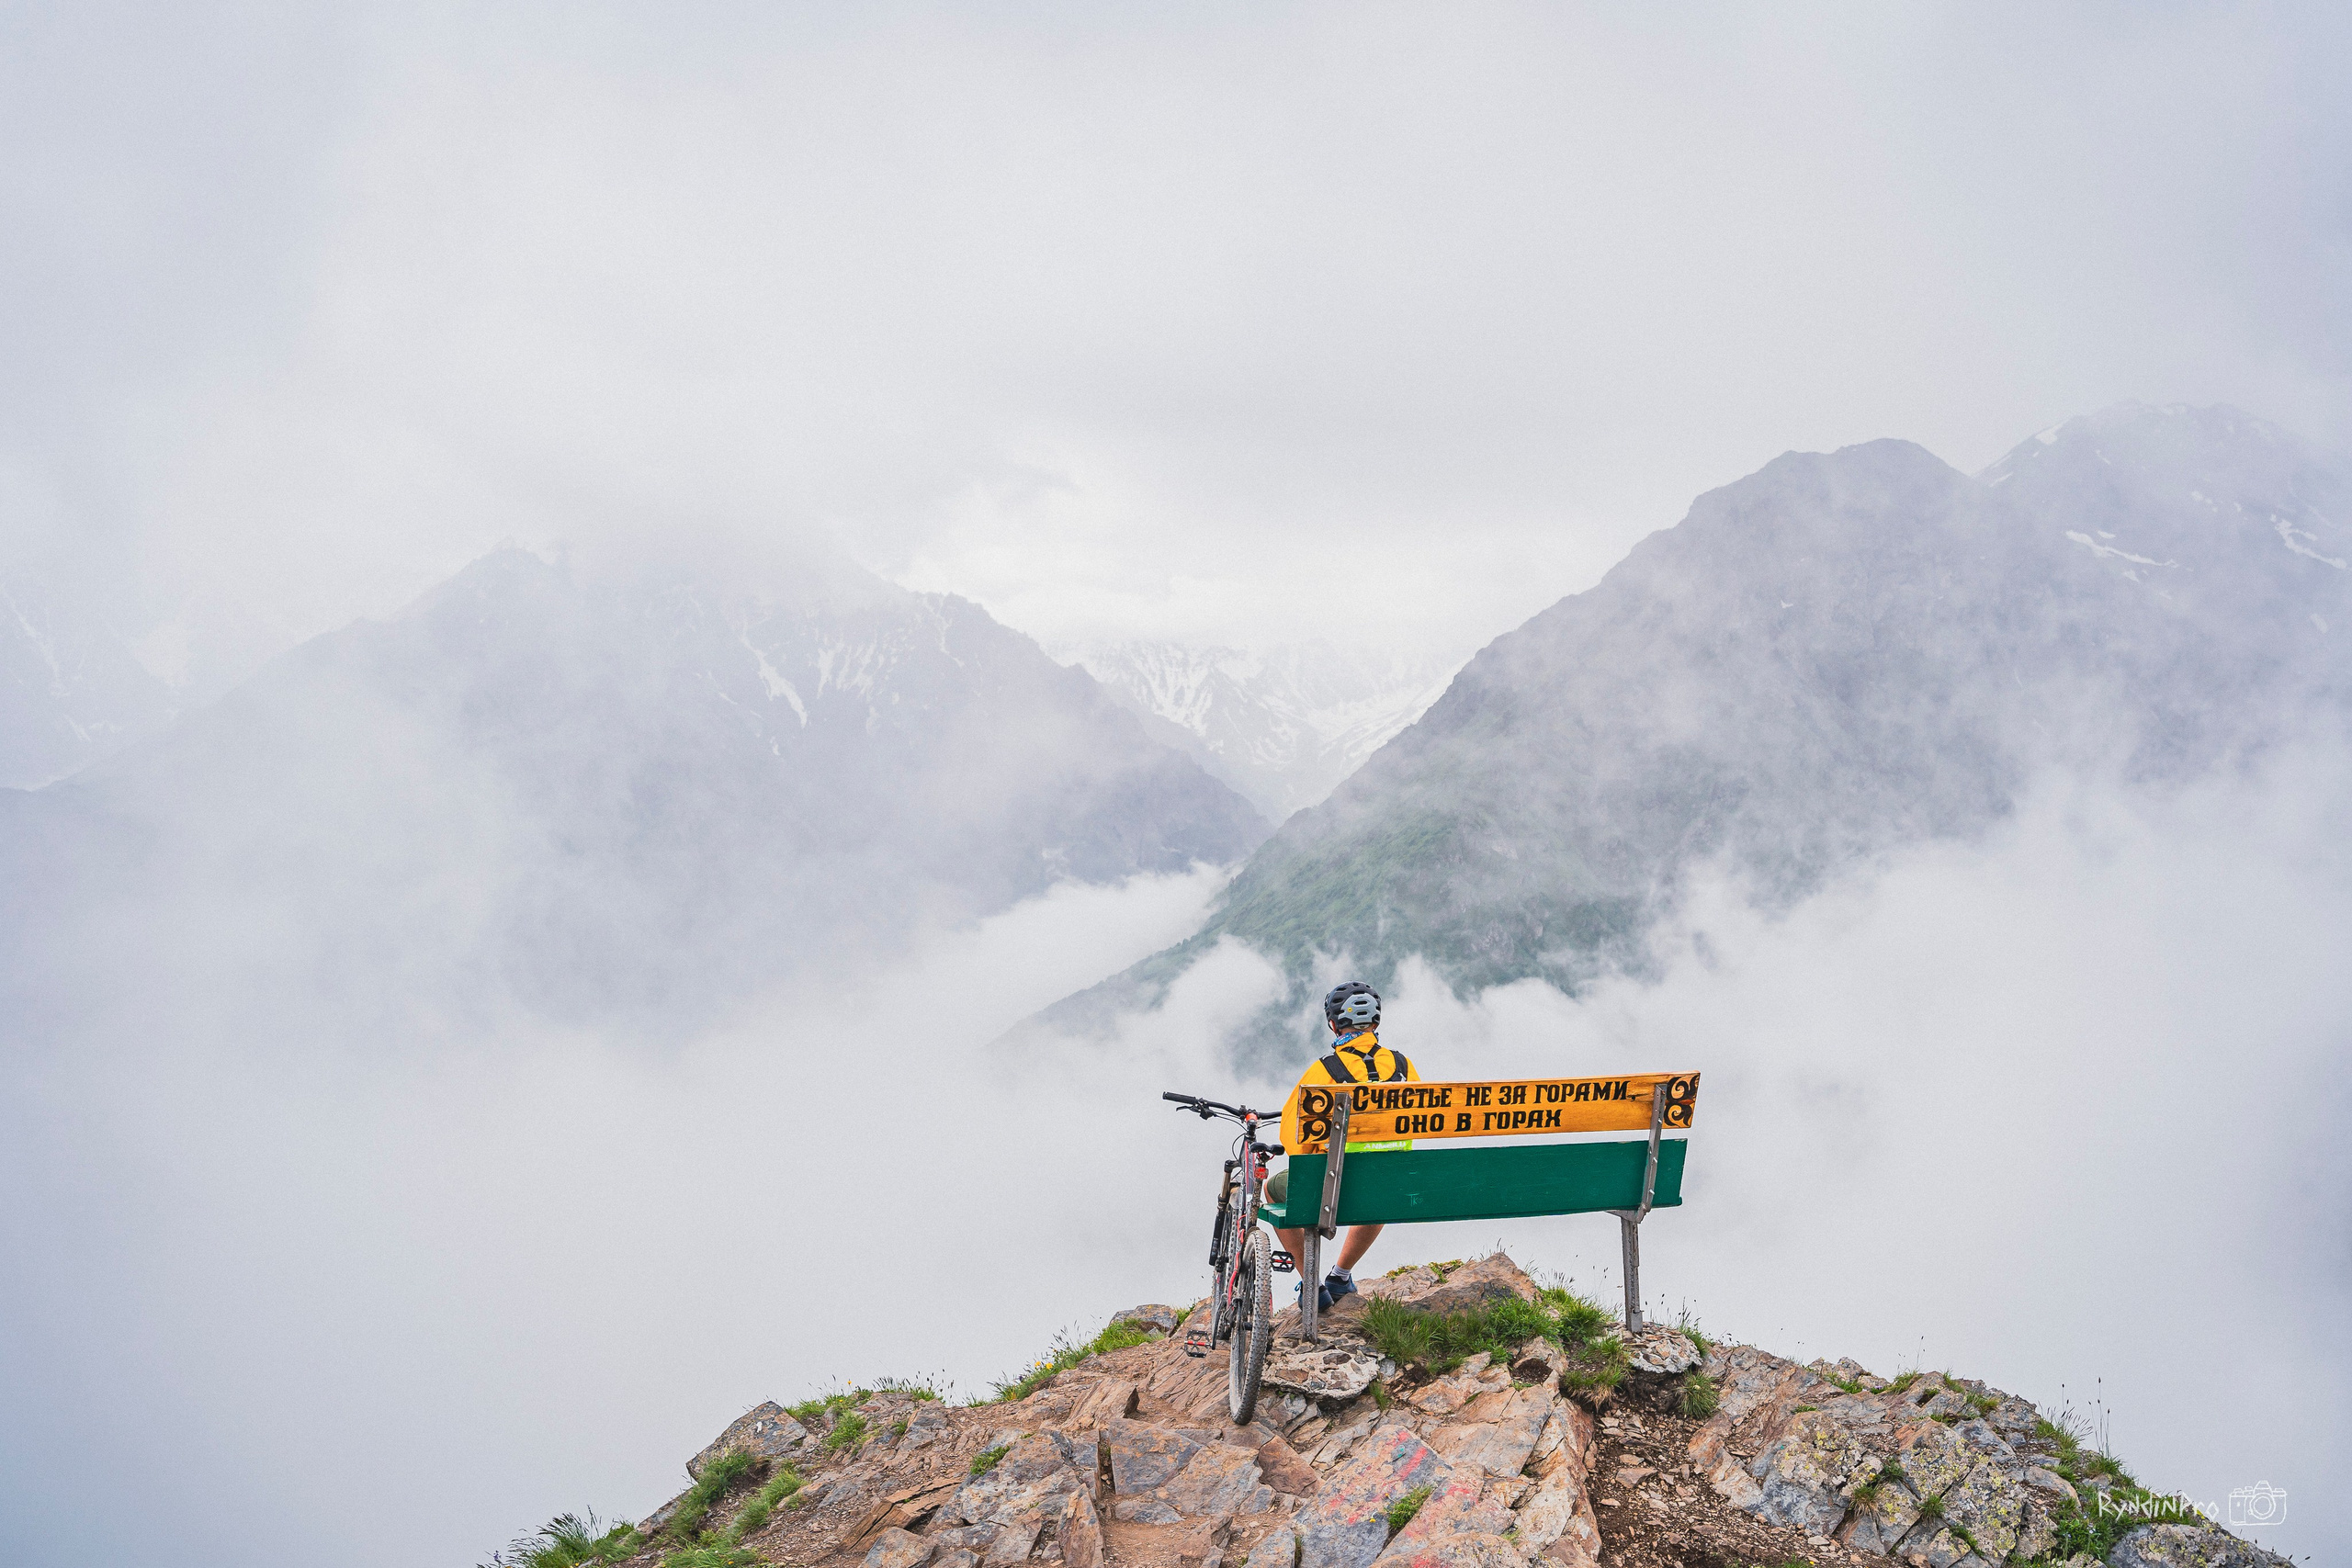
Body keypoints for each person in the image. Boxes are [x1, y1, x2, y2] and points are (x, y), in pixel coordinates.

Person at [1268, 980, 1418, 1314]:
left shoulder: (1324, 1071)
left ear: (1334, 1024)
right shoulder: (1404, 1067)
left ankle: (1313, 1282)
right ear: (1375, 1023)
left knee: (1273, 1189)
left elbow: (1295, 1140)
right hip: (1388, 1186)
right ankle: (1341, 1274)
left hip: (1332, 1188)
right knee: (1380, 1184)